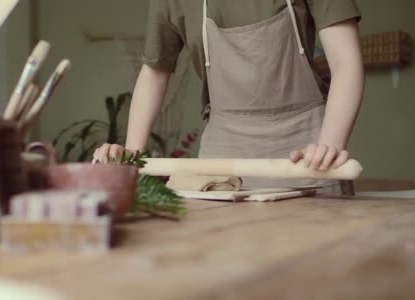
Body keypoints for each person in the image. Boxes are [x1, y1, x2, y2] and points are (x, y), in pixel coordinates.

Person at [93, 0, 365, 194]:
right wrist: (132, 153)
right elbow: (154, 72)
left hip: (306, 155)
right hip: (221, 163)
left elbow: (347, 63)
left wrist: (329, 145)